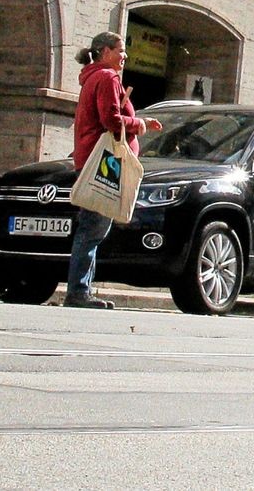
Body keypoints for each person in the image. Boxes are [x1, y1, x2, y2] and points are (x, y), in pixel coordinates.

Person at [66, 31, 162, 309]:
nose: (124, 56)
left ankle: (82, 289)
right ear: (105, 52)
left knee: (92, 225)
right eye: (120, 50)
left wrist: (139, 121)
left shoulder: (92, 77)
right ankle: (79, 292)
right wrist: (138, 125)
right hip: (104, 162)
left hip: (91, 158)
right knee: (94, 227)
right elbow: (110, 119)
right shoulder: (107, 77)